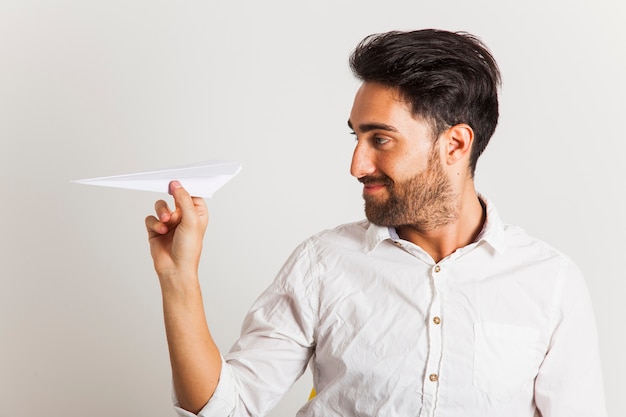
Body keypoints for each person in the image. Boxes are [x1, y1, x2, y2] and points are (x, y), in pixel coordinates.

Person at [145, 29, 607, 417]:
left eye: (380, 139)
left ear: (455, 144)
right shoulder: (322, 264)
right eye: (357, 136)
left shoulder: (551, 283)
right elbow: (228, 408)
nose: (357, 164)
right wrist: (177, 278)